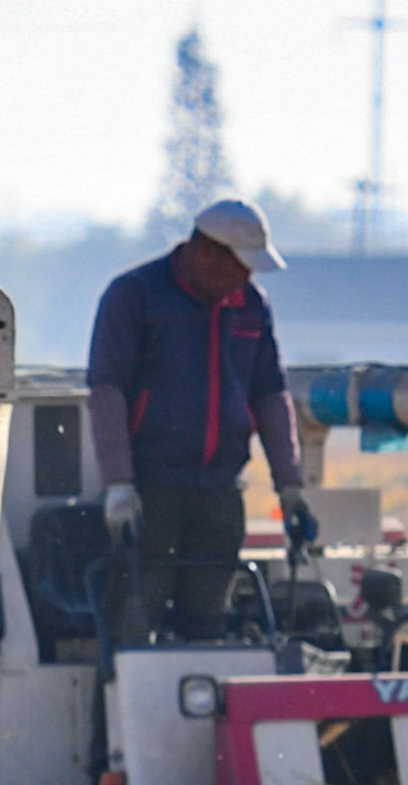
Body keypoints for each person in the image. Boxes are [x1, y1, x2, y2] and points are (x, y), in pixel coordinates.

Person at [85, 198, 311, 646]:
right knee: (134, 617)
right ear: (206, 252)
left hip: (220, 492)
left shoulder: (250, 305)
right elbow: (107, 390)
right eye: (240, 266)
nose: (246, 278)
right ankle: (119, 710)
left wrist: (291, 485)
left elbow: (269, 394)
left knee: (209, 620)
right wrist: (119, 485)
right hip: (151, 491)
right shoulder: (134, 295)